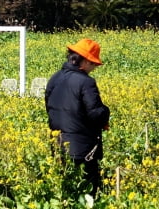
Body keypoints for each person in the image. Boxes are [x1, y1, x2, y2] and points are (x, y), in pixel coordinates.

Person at [45, 38, 111, 198]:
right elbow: (95, 113)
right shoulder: (85, 82)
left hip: (58, 144)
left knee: (65, 191)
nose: (94, 67)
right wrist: (106, 112)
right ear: (85, 61)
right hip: (82, 149)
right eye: (94, 64)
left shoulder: (54, 78)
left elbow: (49, 107)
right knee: (87, 193)